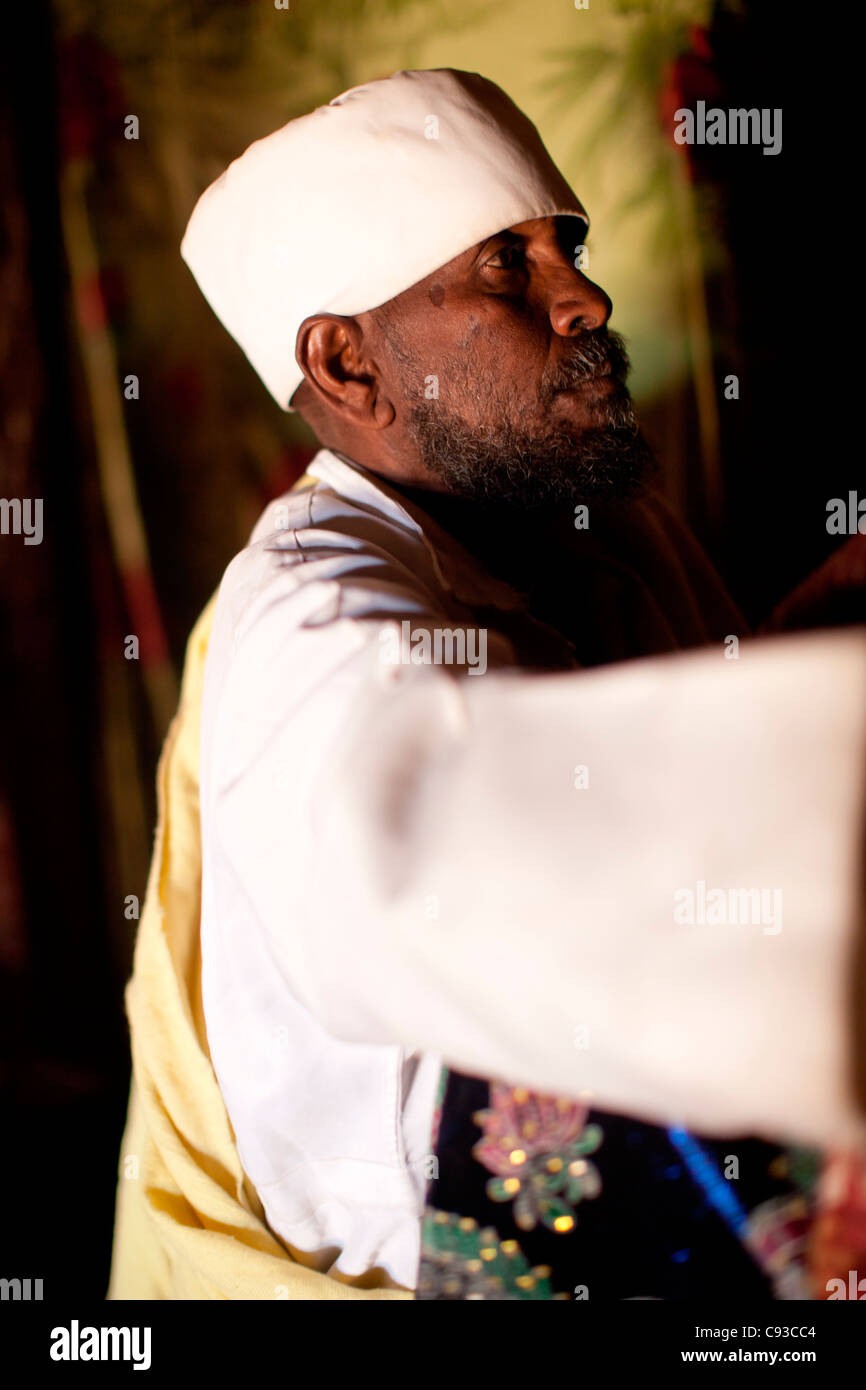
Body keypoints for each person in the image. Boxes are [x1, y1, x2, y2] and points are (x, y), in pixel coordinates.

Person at [109, 68, 866, 1301]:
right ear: (347, 367)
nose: (585, 299)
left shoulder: (597, 523)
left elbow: (669, 761)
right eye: (506, 268)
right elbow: (423, 857)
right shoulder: (308, 616)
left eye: (563, 247)